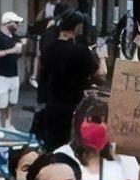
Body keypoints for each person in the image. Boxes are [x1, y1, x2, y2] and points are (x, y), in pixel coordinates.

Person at [36, 11, 106, 150]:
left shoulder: (48, 50)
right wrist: (102, 56)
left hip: (52, 106)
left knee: (52, 148)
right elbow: (101, 73)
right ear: (77, 27)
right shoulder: (80, 51)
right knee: (71, 147)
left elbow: (41, 74)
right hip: (74, 108)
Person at [52, 94, 140, 180]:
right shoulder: (60, 158)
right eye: (95, 119)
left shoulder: (121, 154)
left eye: (108, 122)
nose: (102, 127)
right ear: (76, 120)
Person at [0, 11, 25, 132]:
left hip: (13, 74)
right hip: (1, 75)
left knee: (11, 102)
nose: (18, 25)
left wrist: (19, 48)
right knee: (0, 102)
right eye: (16, 22)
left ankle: (8, 125)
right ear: (8, 22)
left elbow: (19, 50)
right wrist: (12, 50)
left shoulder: (15, 37)